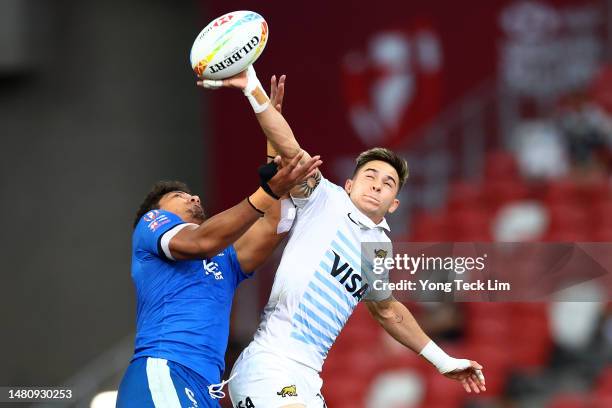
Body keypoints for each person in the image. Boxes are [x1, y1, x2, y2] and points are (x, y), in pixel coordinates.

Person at [199, 66, 486, 408]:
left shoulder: (379, 247)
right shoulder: (325, 198)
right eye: (370, 175)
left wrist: (445, 362)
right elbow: (290, 151)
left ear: (393, 205)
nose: (378, 184)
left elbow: (387, 311)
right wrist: (253, 90)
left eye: (388, 183)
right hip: (270, 364)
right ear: (349, 185)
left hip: (307, 380)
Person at [116, 77, 323, 408]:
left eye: (191, 193)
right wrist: (268, 190)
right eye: (179, 196)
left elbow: (274, 224)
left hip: (206, 387)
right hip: (165, 370)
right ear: (158, 211)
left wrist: (272, 140)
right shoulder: (151, 227)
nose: (193, 196)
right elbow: (201, 242)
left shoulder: (225, 257)